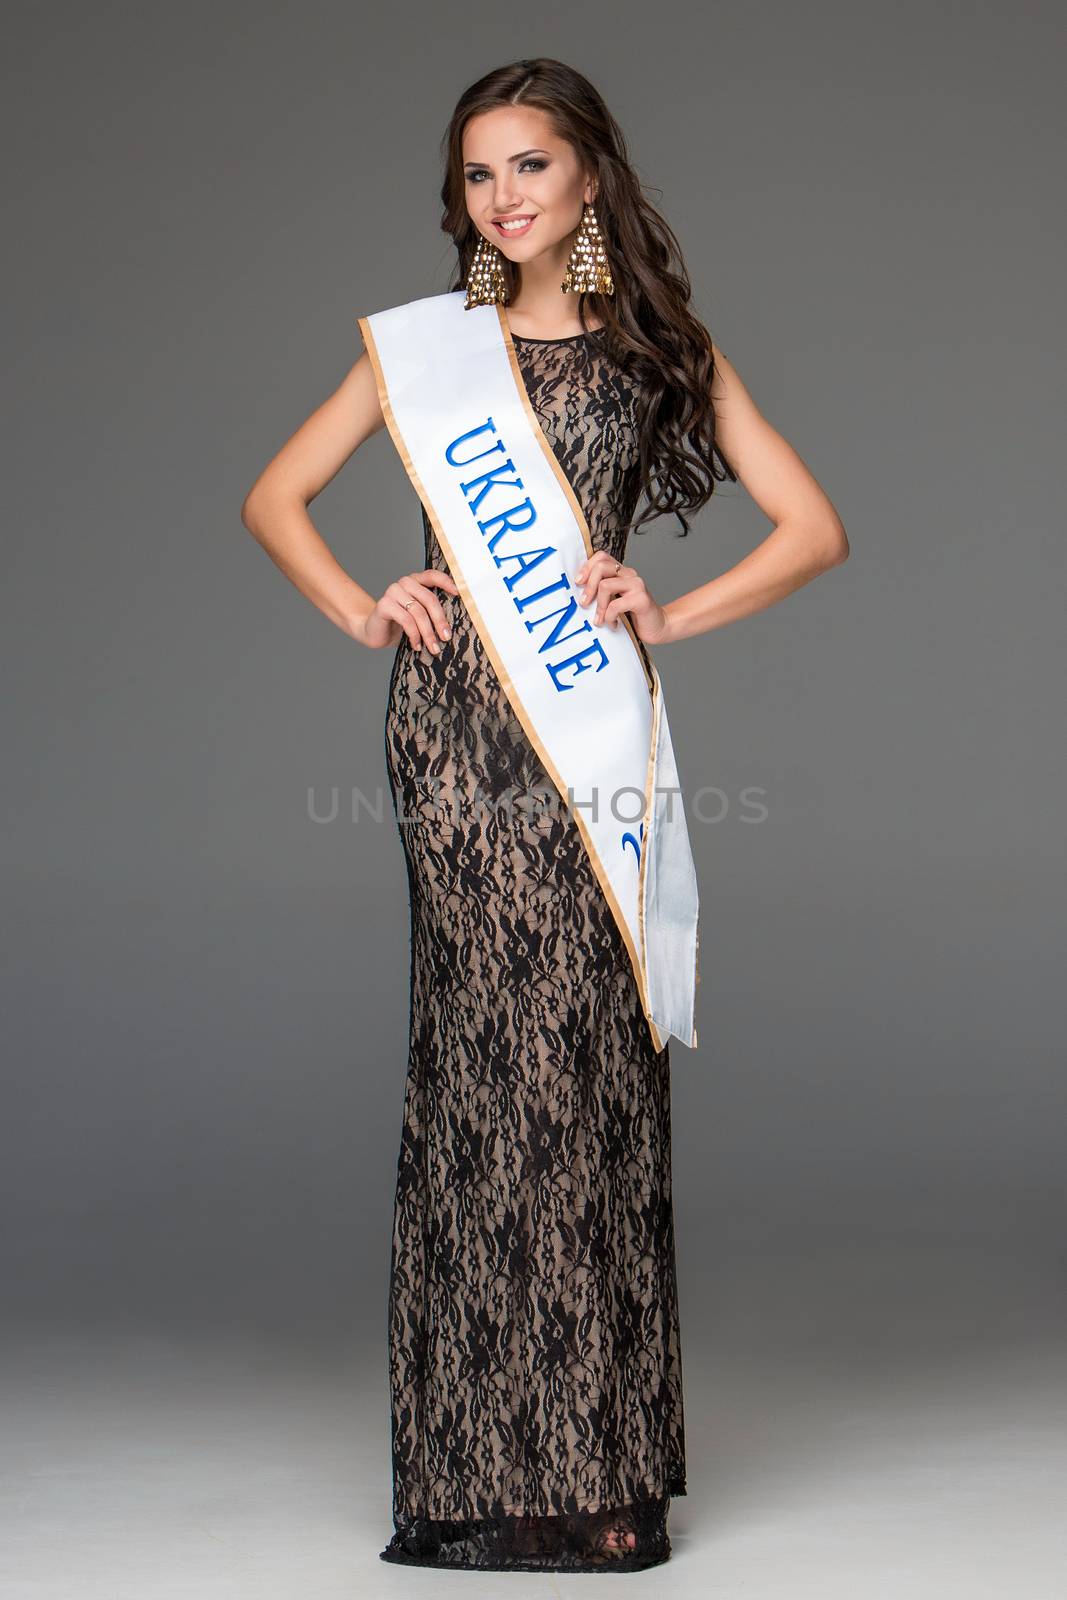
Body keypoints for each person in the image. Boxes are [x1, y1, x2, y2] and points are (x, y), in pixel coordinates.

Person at [240, 56, 848, 1575]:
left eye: (529, 167)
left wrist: (674, 614)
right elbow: (276, 497)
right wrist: (364, 605)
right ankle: (474, 1477)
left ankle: (601, 1464)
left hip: (584, 736)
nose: (501, 198)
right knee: (476, 1073)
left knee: (587, 1074)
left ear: (590, 179)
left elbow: (815, 528)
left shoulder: (658, 356)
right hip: (454, 744)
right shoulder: (427, 352)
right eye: (477, 175)